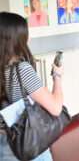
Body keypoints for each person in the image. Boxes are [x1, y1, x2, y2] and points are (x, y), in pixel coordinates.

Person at [0, 12, 64, 161]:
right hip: (25, 140)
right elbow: (55, 108)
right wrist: (57, 77)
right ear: (17, 38)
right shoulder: (22, 69)